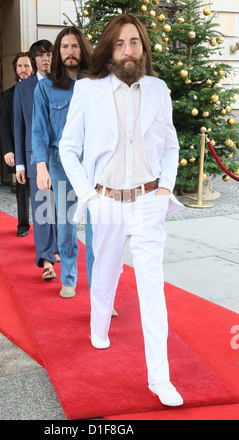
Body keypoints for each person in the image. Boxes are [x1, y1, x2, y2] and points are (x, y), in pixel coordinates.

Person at [59, 14, 185, 406]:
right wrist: (89, 196)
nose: (128, 51)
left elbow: (170, 145)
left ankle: (160, 378)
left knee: (152, 289)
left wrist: (165, 188)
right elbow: (68, 148)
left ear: (143, 48)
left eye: (134, 43)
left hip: (149, 201)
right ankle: (98, 326)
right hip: (107, 200)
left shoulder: (158, 89)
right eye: (120, 44)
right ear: (109, 49)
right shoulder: (88, 89)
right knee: (105, 272)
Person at [31, 27, 92, 299]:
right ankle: (69, 277)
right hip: (61, 165)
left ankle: (100, 287)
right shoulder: (45, 87)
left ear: (83, 50)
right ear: (58, 52)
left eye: (75, 46)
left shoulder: (96, 83)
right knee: (66, 225)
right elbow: (38, 130)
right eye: (65, 46)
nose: (70, 51)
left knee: (97, 228)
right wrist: (40, 165)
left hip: (93, 165)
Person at [14, 40, 59, 279]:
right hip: (34, 159)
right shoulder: (23, 89)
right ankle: (45, 259)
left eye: (49, 54)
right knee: (43, 208)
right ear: (34, 60)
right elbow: (18, 127)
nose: (46, 59)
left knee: (61, 207)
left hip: (61, 158)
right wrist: (20, 163)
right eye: (41, 56)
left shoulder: (64, 83)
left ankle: (58, 247)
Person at [1, 52, 33, 237]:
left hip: (37, 148)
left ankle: (45, 229)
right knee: (21, 189)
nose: (23, 69)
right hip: (18, 149)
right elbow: (5, 125)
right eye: (19, 66)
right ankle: (23, 225)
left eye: (26, 65)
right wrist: (8, 150)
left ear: (33, 67)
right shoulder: (8, 95)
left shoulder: (41, 90)